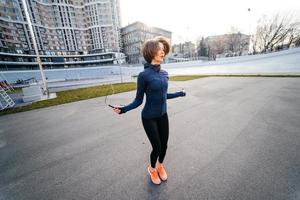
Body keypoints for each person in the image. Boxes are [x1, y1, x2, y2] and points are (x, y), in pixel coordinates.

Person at [113, 36, 186, 185]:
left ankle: (160, 166)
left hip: (163, 115)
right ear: (151, 52)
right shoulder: (144, 76)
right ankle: (152, 169)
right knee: (157, 146)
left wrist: (179, 94)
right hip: (149, 117)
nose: (162, 52)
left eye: (163, 49)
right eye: (159, 49)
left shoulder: (164, 74)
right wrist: (124, 109)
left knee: (164, 145)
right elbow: (139, 100)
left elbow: (163, 95)